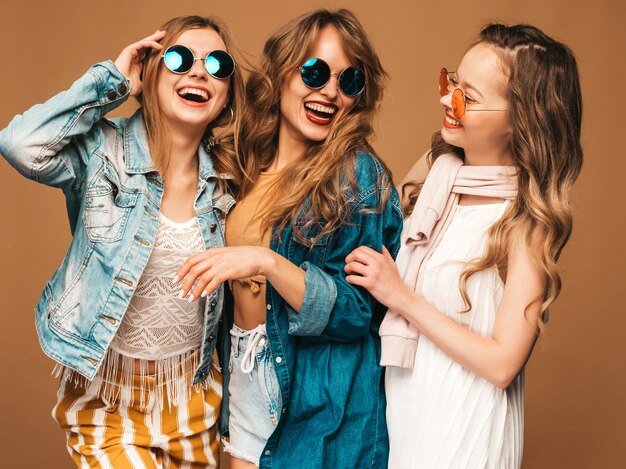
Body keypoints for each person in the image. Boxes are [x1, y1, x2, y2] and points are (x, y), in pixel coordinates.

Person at [0, 15, 243, 468]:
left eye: (217, 64)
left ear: (227, 95)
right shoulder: (102, 152)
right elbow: (20, 143)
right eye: (179, 58)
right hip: (106, 400)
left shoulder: (231, 181)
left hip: (191, 403)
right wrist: (110, 82)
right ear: (149, 75)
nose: (198, 71)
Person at [345, 23, 583, 468]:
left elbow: (502, 364)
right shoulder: (435, 175)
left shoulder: (527, 222)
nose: (445, 100)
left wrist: (402, 297)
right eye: (451, 82)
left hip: (465, 430)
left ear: (521, 121)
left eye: (467, 97)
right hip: (406, 416)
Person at [175, 9, 403, 469]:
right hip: (241, 369)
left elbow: (358, 311)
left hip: (314, 393)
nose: (330, 92)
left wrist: (267, 263)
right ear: (282, 74)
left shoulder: (358, 175)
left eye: (349, 81)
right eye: (315, 73)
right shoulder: (242, 163)